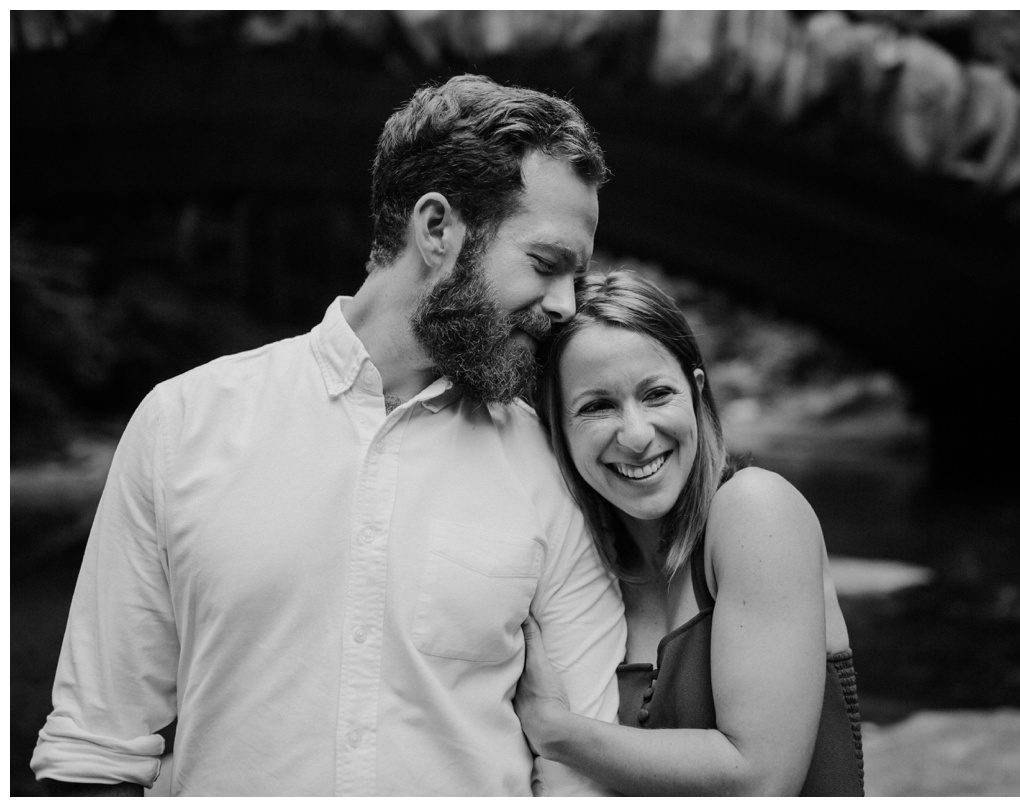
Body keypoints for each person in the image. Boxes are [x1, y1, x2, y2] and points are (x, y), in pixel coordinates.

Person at [30, 74, 627, 796]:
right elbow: (94, 748)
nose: (565, 306)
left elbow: (584, 768)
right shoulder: (181, 423)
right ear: (437, 228)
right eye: (545, 264)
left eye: (575, 277)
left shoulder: (553, 466)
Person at [516, 269, 864, 796]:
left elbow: (759, 782)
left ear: (696, 393)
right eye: (597, 406)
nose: (636, 436)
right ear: (555, 426)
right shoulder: (579, 566)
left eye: (657, 394)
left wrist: (556, 731)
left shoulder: (755, 511)